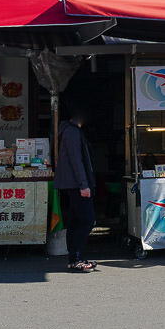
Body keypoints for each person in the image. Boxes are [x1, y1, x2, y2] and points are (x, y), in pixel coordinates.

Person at [53, 104, 97, 273]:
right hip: (77, 184)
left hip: (73, 184)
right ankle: (75, 258)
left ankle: (74, 258)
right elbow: (76, 161)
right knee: (87, 220)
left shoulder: (69, 131)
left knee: (76, 221)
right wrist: (84, 185)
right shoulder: (72, 132)